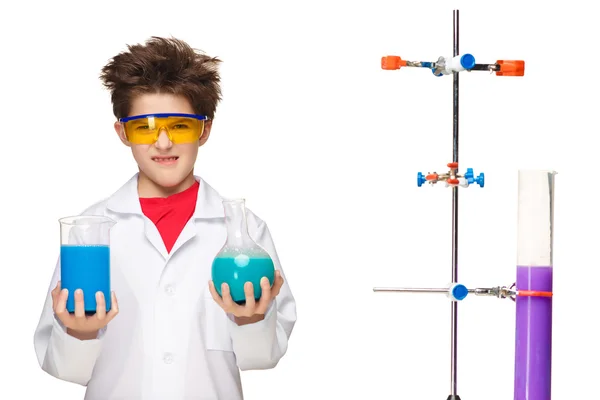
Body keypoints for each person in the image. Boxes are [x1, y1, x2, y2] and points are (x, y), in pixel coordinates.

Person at [33, 36, 297, 400]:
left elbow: (263, 358)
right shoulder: (89, 231)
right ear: (122, 132)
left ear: (204, 130)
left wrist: (251, 321)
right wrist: (79, 334)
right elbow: (64, 369)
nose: (162, 143)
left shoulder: (245, 230)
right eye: (144, 127)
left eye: (179, 126)